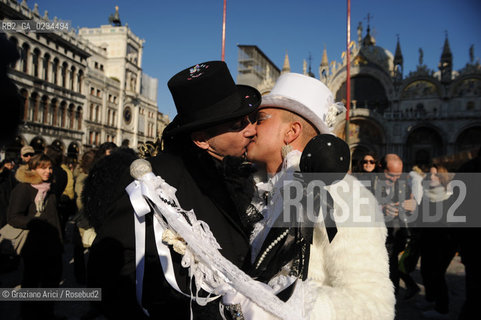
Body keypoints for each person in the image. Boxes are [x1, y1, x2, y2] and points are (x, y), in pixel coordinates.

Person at [87, 60, 261, 319]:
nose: (252, 130)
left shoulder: (242, 173)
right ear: (202, 140)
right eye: (238, 125)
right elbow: (108, 265)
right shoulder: (155, 180)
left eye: (251, 119)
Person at [243, 72, 394, 319]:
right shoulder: (253, 189)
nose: (249, 129)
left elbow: (374, 305)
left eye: (259, 119)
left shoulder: (342, 194)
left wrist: (287, 306)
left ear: (291, 131)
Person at [7, 153, 64, 320]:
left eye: (50, 167)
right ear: (33, 168)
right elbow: (13, 216)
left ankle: (47, 313)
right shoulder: (24, 188)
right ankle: (27, 314)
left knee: (52, 282)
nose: (48, 171)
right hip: (35, 245)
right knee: (31, 283)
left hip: (54, 243)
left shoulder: (50, 187)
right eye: (43, 168)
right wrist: (35, 222)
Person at [373, 154, 417, 297]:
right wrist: (380, 209)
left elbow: (414, 209)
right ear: (381, 167)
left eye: (398, 176)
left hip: (394, 237)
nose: (395, 179)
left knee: (392, 271)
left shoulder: (402, 183)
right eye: (391, 175)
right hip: (372, 239)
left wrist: (413, 206)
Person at [418, 164, 458, 319]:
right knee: (426, 271)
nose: (431, 177)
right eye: (429, 175)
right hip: (428, 240)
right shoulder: (427, 194)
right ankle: (430, 299)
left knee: (437, 274)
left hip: (444, 242)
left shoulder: (451, 195)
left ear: (443, 177)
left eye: (435, 175)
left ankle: (442, 308)